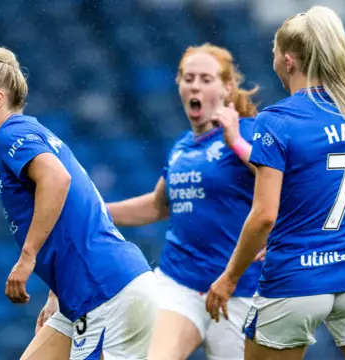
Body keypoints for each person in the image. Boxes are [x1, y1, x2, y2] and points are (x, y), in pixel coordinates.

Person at [205, 6, 345, 360]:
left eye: (275, 54)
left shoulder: (277, 120)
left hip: (296, 279)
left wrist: (229, 278)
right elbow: (316, 180)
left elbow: (264, 216)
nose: (275, 61)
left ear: (289, 61)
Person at [0, 46, 157, 360]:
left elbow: (58, 181)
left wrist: (27, 258)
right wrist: (56, 293)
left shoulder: (12, 133)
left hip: (105, 292)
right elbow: (72, 217)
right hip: (92, 292)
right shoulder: (31, 134)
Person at [105, 43, 264, 360]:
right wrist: (94, 212)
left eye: (207, 79)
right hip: (180, 284)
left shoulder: (249, 131)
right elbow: (158, 205)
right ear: (179, 84)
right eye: (189, 77)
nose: (196, 85)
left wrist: (235, 141)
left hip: (240, 291)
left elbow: (286, 183)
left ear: (227, 88)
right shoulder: (181, 147)